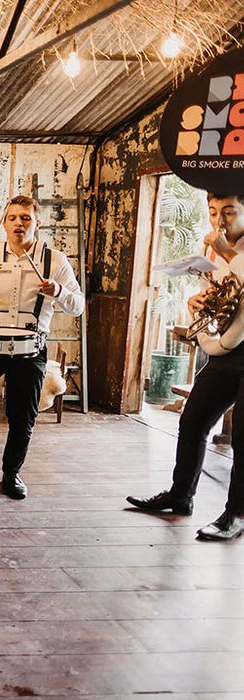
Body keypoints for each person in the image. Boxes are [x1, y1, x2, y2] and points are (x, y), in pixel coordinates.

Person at [0, 194, 84, 511]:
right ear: (5, 222)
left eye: (25, 218)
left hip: (30, 348)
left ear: (37, 223)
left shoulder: (56, 261)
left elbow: (77, 307)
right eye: (13, 218)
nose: (19, 223)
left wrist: (59, 292)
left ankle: (11, 473)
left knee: (23, 416)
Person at [126, 192, 244, 541]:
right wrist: (199, 300)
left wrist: (226, 250)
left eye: (229, 211)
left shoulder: (226, 248)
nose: (219, 219)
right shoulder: (216, 251)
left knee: (243, 438)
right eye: (212, 212)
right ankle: (181, 497)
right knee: (193, 420)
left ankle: (235, 515)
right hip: (226, 348)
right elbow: (221, 292)